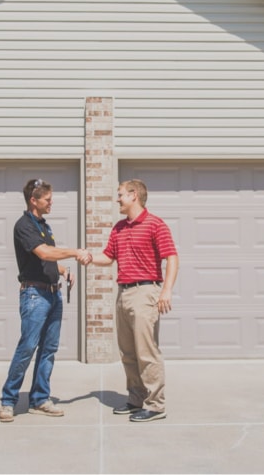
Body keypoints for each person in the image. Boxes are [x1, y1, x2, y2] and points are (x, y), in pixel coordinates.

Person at [85, 179, 178, 423]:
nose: (117, 199)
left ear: (133, 195)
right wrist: (88, 257)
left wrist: (166, 290)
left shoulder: (155, 224)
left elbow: (172, 258)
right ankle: (137, 399)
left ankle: (156, 405)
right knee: (128, 352)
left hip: (145, 292)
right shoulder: (118, 228)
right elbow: (108, 257)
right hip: (123, 293)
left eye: (120, 195)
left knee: (147, 352)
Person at [0, 178, 91, 423]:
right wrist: (75, 252)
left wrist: (62, 271)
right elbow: (43, 252)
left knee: (49, 349)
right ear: (34, 200)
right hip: (34, 296)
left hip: (52, 293)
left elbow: (46, 260)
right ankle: (8, 401)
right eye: (47, 199)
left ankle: (40, 398)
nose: (51, 203)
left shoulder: (43, 226)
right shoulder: (24, 225)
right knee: (27, 347)